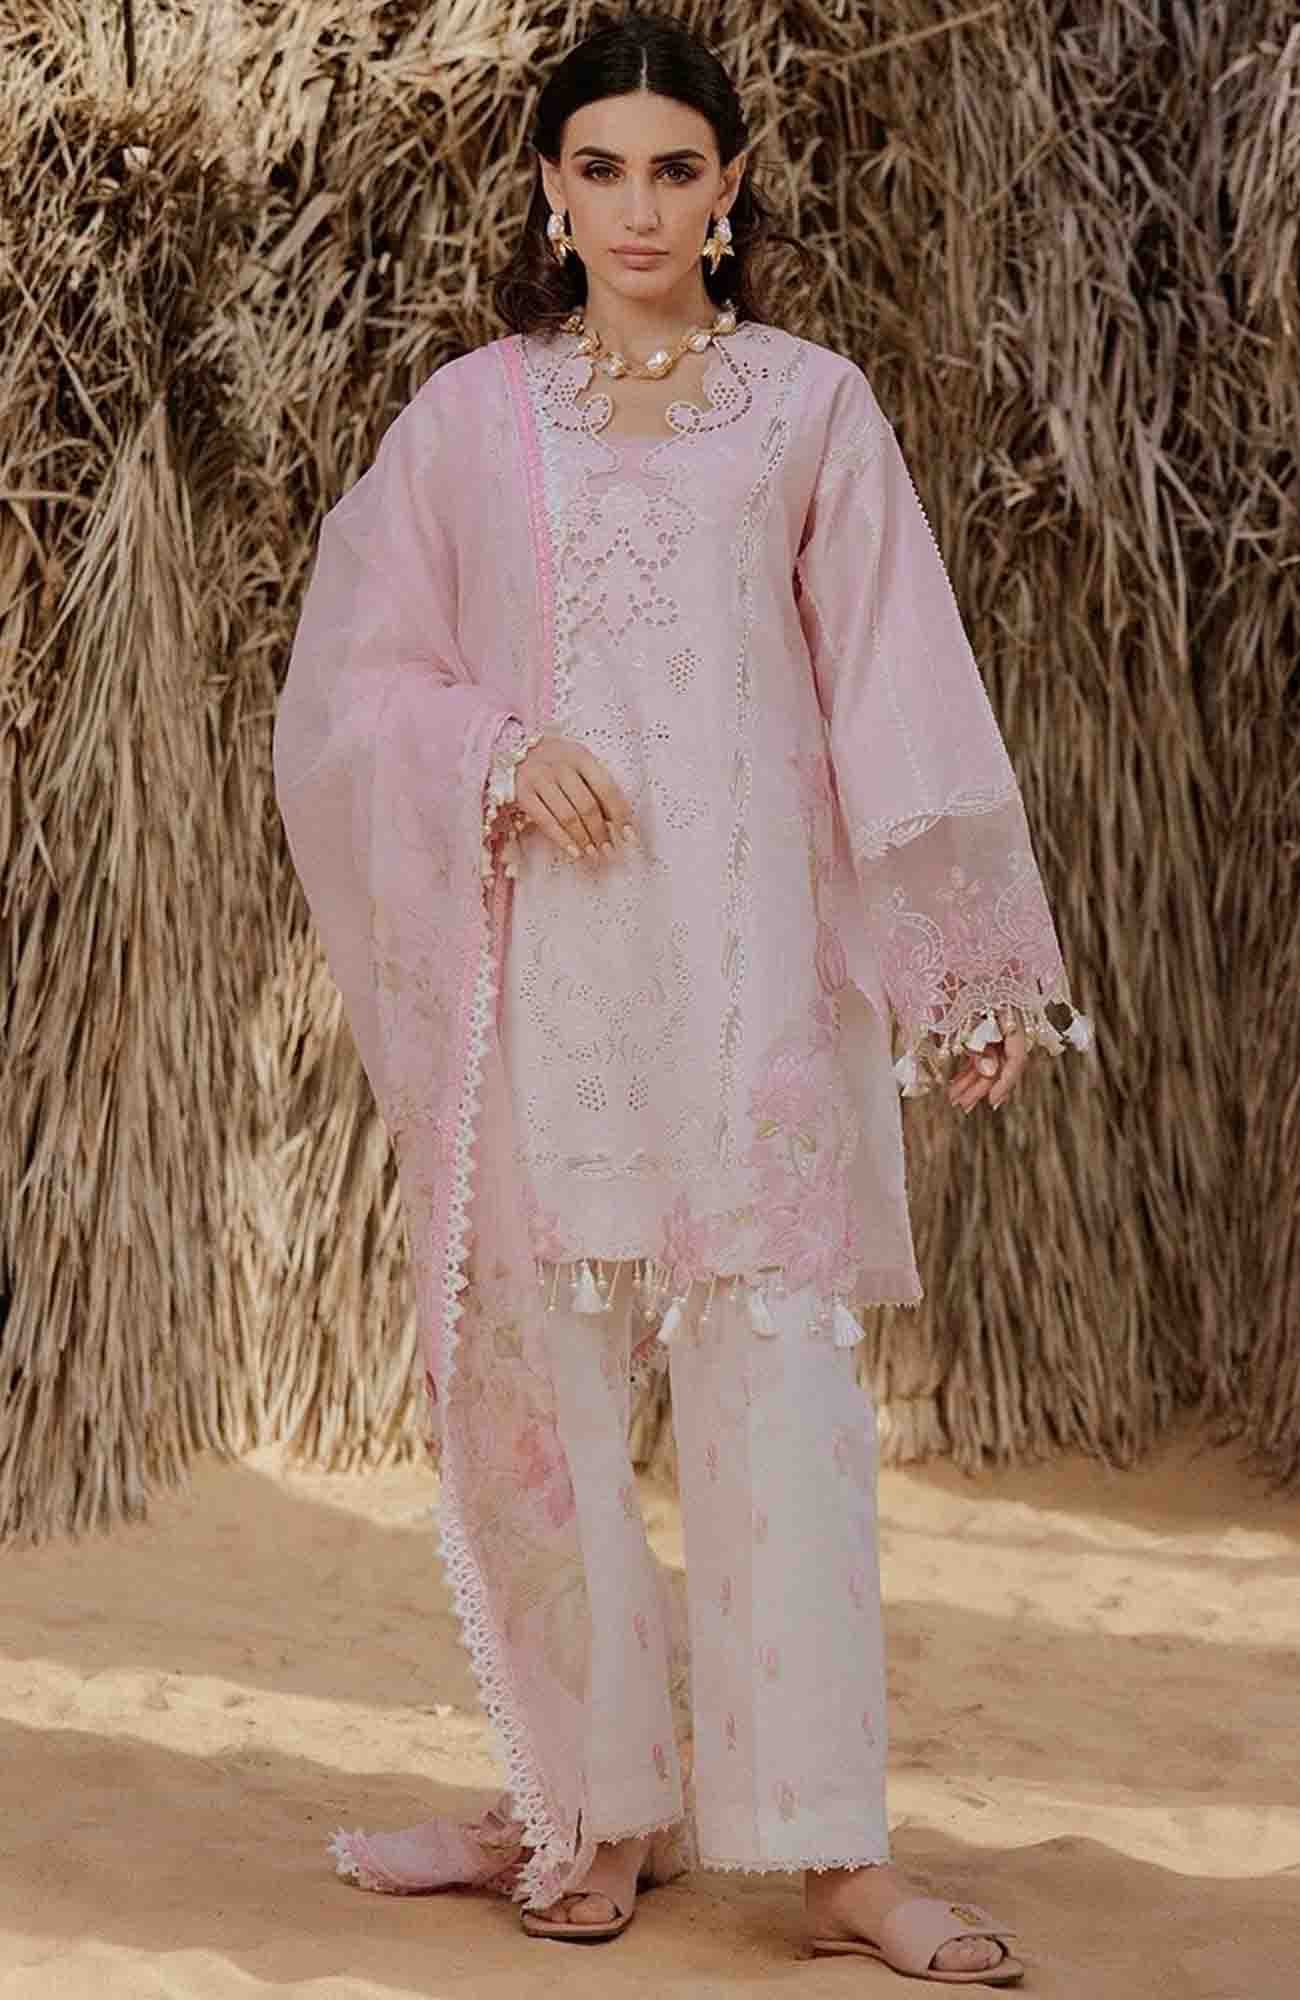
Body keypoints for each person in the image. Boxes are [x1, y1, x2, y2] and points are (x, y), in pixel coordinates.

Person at [272, 9, 1092, 1986]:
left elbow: (895, 682)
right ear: (548, 193)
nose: (636, 207)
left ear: (726, 191)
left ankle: (833, 1856)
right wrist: (489, 749)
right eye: (599, 169)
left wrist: (961, 966)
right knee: (544, 1395)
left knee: (781, 1398)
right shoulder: (471, 421)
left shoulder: (808, 409)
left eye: (673, 169)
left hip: (750, 978)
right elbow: (352, 680)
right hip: (543, 980)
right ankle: (599, 1802)